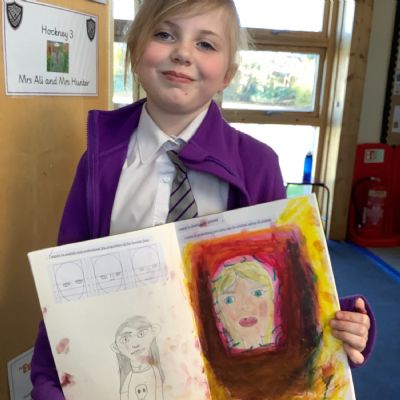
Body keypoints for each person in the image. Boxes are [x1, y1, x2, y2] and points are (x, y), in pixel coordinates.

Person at [30, 0, 375, 398]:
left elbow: (280, 283)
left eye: (206, 44)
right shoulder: (99, 163)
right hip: (122, 375)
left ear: (228, 73)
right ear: (136, 50)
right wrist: (48, 380)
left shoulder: (257, 165)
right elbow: (64, 288)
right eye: (164, 34)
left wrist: (344, 322)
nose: (182, 53)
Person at [111, 316, 164, 400]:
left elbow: (159, 395)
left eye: (141, 334)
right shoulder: (128, 379)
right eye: (125, 339)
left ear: (153, 332)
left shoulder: (155, 372)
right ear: (116, 347)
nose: (135, 344)